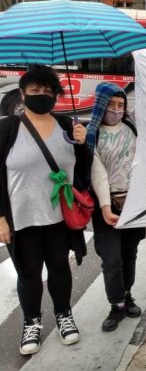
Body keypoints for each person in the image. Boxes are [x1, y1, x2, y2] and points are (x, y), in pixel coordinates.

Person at [0, 65, 89, 355]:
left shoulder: (67, 126)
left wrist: (82, 144)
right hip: (22, 219)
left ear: (57, 95)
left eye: (48, 90)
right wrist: (0, 218)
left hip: (60, 218)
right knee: (28, 274)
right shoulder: (7, 128)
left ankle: (64, 315)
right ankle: (32, 322)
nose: (42, 95)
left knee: (60, 268)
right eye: (35, 90)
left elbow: (82, 174)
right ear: (23, 95)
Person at [86, 82, 145, 332]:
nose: (117, 110)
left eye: (121, 105)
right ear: (101, 105)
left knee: (129, 253)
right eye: (111, 105)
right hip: (107, 206)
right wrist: (106, 207)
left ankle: (127, 294)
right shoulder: (92, 135)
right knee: (111, 258)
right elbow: (96, 173)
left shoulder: (133, 128)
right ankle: (116, 304)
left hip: (134, 203)